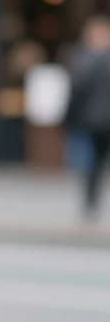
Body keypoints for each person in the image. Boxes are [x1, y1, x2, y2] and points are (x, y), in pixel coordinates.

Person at [64, 14, 110, 217]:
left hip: (91, 121)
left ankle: (90, 202)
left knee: (91, 164)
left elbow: (76, 91)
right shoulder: (84, 59)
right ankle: (90, 201)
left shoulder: (83, 60)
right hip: (93, 121)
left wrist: (68, 118)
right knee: (92, 163)